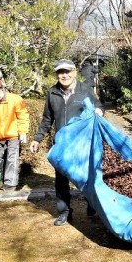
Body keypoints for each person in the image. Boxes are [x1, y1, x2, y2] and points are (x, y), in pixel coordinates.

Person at [30, 59, 104, 226]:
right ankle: (64, 211)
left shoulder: (85, 90)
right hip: (62, 143)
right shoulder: (52, 93)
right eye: (60, 72)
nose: (64, 75)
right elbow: (47, 119)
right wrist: (37, 138)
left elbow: (99, 106)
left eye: (67, 71)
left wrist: (99, 110)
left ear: (74, 72)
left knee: (85, 174)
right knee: (61, 178)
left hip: (82, 142)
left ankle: (92, 203)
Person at [0, 76, 30, 190]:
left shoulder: (16, 99)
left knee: (12, 159)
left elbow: (23, 116)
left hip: (13, 135)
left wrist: (23, 132)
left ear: (2, 88)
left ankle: (10, 183)